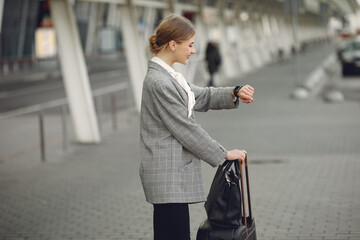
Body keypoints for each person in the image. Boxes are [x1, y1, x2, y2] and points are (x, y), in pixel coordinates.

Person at [139, 14, 254, 240]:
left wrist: (234, 92)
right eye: (190, 45)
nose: (193, 51)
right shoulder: (160, 82)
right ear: (173, 45)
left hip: (171, 177)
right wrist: (223, 154)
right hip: (168, 177)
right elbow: (185, 128)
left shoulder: (170, 76)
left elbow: (200, 95)